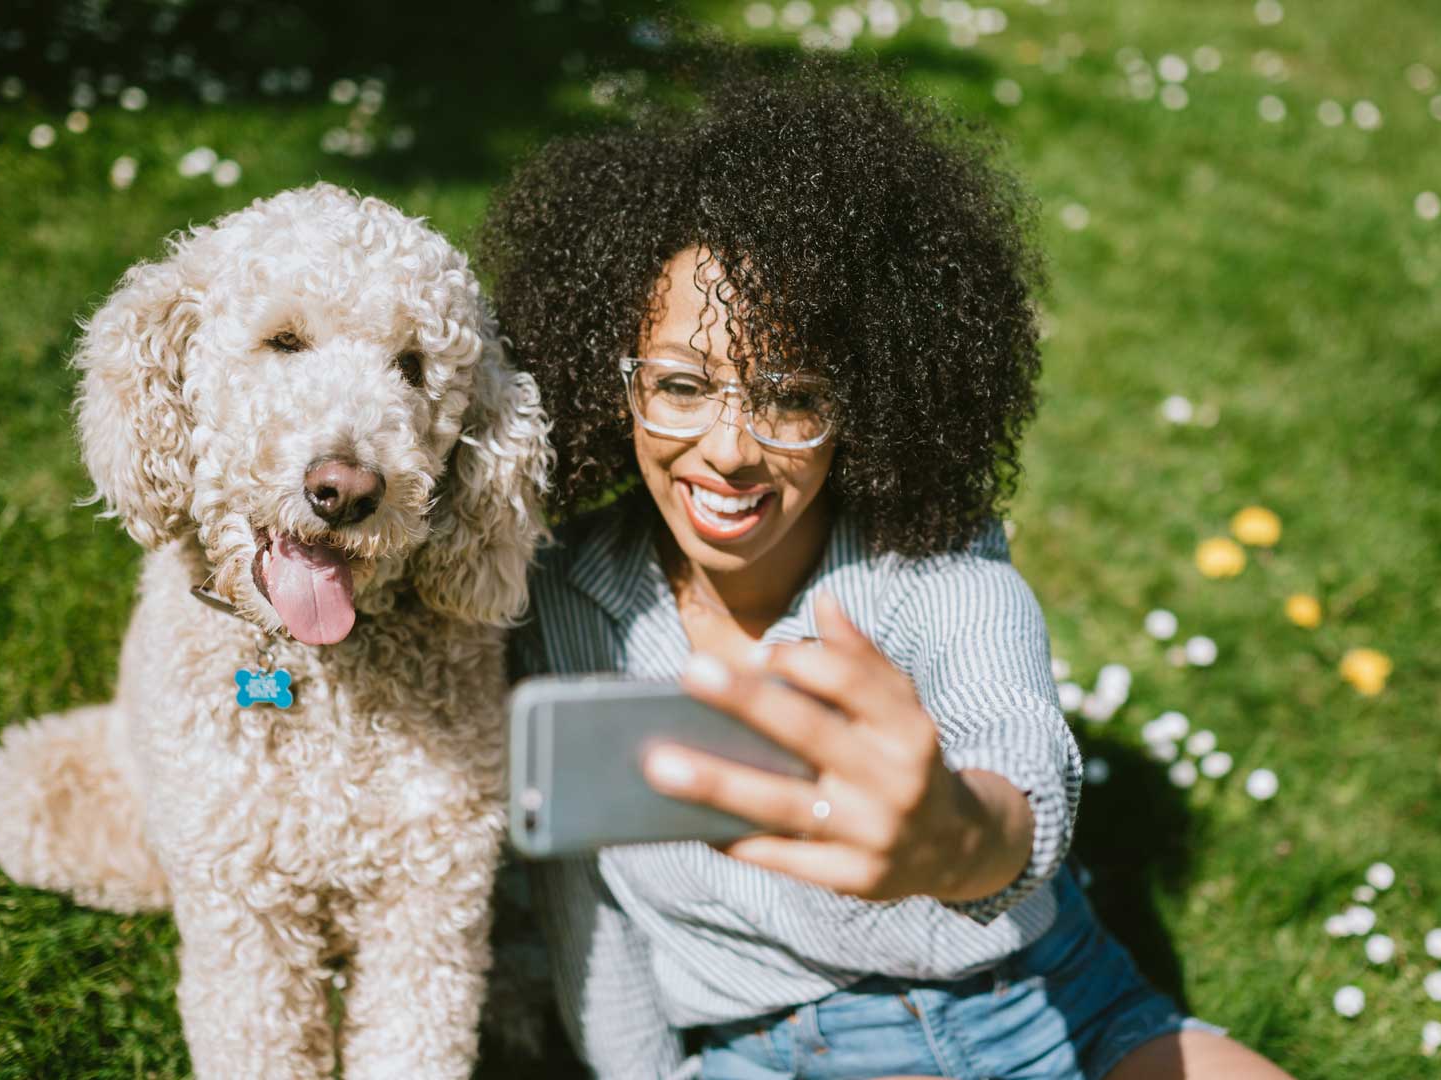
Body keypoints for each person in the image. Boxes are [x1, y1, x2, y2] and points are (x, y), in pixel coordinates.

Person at [480, 53, 1293, 1080]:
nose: (731, 448)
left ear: (869, 397)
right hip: (772, 1055)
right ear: (608, 373)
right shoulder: (560, 597)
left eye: (790, 397)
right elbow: (584, 906)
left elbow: (1022, 769)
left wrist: (954, 838)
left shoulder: (938, 566)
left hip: (1047, 1003)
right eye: (681, 386)